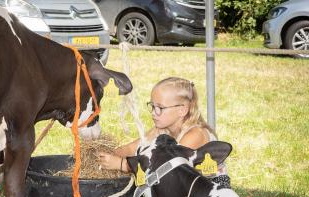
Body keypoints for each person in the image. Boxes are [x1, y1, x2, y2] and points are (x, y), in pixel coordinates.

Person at [98, 77, 229, 185]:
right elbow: (132, 148)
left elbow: (166, 168)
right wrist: (107, 155)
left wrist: (123, 164)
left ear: (182, 110)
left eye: (160, 107)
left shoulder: (195, 134)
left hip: (210, 194)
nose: (154, 113)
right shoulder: (162, 129)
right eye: (152, 106)